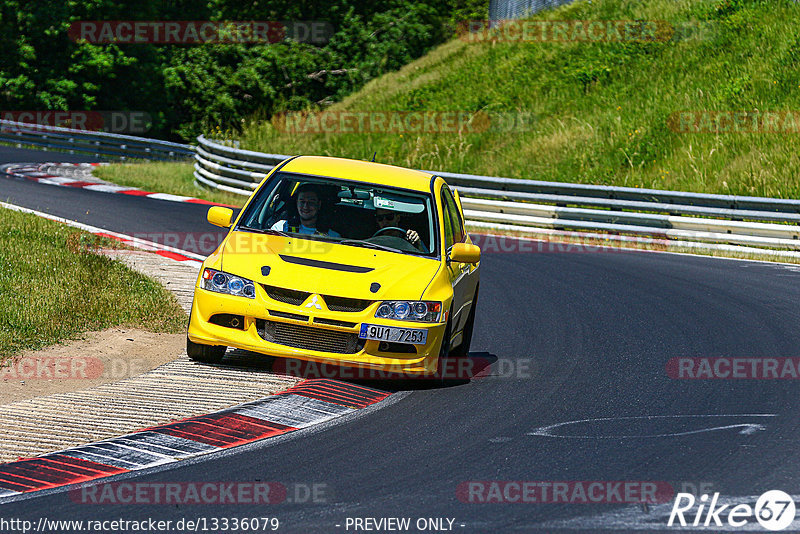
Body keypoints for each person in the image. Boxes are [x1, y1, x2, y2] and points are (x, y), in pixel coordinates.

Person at [271, 184, 340, 237]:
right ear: (296, 203)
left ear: (319, 204)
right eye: (302, 201)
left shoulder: (332, 237)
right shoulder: (280, 228)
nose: (305, 206)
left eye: (311, 202)